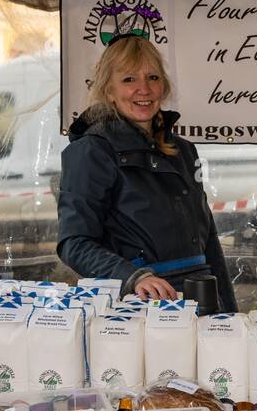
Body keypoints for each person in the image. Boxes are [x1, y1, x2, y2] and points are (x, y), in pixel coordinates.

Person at [56, 34, 237, 310]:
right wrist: (132, 277)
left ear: (163, 86)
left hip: (201, 302)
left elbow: (208, 240)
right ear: (109, 91)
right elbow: (74, 243)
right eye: (129, 79)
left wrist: (228, 311)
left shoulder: (184, 151)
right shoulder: (92, 151)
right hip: (140, 309)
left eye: (152, 77)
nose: (144, 88)